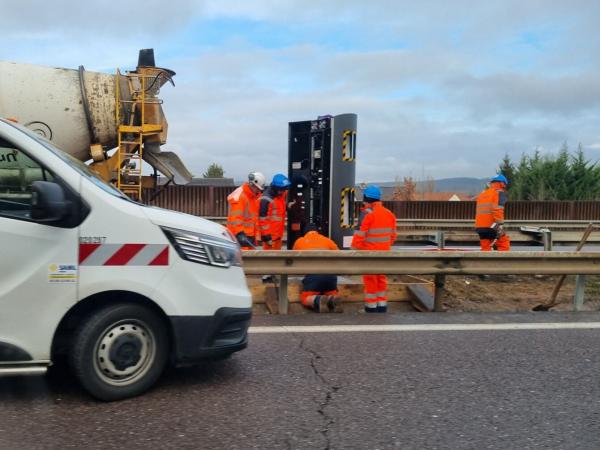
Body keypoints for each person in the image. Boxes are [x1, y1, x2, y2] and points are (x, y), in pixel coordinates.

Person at [351, 185, 397, 313]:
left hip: (369, 253)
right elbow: (393, 236)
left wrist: (354, 250)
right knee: (381, 278)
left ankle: (371, 308)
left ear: (365, 198)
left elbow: (359, 235)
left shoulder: (366, 214)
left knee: (370, 279)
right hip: (384, 253)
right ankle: (382, 306)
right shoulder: (389, 214)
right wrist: (384, 246)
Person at [292, 225, 342, 313]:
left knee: (305, 298)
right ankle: (332, 299)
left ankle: (317, 300)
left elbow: (292, 260)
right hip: (331, 276)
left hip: (313, 276)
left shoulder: (300, 241)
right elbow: (339, 254)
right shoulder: (327, 240)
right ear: (317, 232)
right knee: (330, 292)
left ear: (305, 233)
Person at [226, 171, 266, 249]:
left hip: (249, 236)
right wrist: (240, 234)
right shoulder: (240, 196)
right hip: (240, 236)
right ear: (252, 184)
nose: (258, 191)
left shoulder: (253, 196)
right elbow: (236, 218)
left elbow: (253, 217)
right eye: (257, 188)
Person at [475, 174, 510, 251]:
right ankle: (502, 263)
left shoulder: (483, 194)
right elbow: (498, 209)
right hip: (492, 226)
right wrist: (500, 224)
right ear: (502, 183)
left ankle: (484, 262)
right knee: (504, 244)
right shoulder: (499, 193)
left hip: (480, 227)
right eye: (505, 184)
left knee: (485, 248)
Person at [258, 173, 292, 250]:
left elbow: (278, 210)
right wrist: (267, 238)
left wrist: (287, 207)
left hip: (278, 236)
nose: (283, 192)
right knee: (269, 260)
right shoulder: (265, 199)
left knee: (277, 259)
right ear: (275, 188)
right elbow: (262, 221)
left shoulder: (280, 195)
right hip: (270, 238)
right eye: (282, 190)